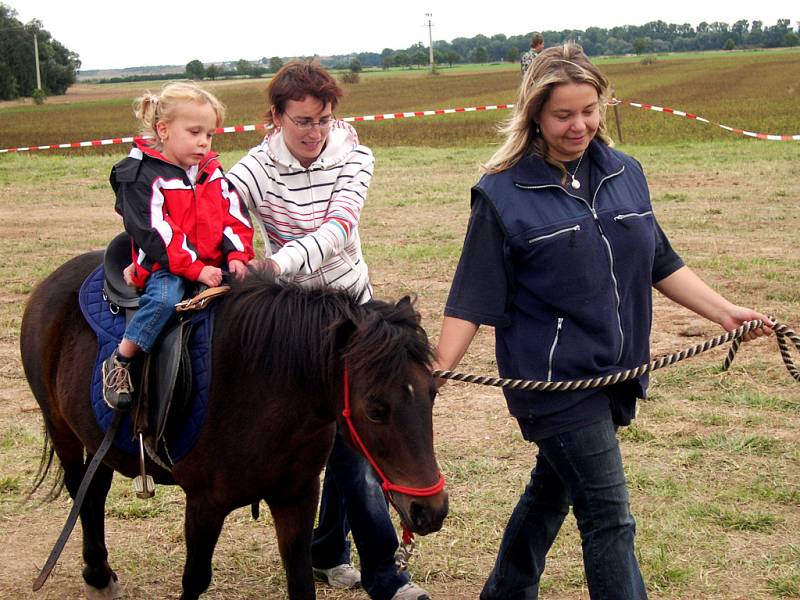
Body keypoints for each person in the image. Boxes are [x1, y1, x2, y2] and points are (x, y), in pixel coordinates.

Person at [435, 43, 773, 600]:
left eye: (589, 109)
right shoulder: (502, 196)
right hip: (555, 383)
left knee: (553, 490)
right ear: (535, 117)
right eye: (563, 115)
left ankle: (506, 592)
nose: (580, 125)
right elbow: (472, 294)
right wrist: (441, 368)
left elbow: (659, 261)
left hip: (618, 371)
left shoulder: (625, 172)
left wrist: (726, 312)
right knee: (609, 518)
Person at [226, 61, 430, 600]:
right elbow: (222, 215)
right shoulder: (251, 170)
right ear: (274, 119)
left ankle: (384, 575)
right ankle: (327, 550)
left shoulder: (356, 157)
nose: (315, 132)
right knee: (327, 438)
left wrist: (273, 267)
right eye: (302, 122)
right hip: (296, 329)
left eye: (323, 119)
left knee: (354, 445)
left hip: (352, 316)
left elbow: (339, 229)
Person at [103, 82, 255, 411]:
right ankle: (122, 359)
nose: (204, 142)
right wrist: (196, 268)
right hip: (166, 266)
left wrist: (238, 255)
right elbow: (158, 232)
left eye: (210, 135)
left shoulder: (212, 173)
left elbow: (234, 217)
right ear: (164, 130)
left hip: (212, 265)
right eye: (195, 132)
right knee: (164, 300)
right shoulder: (145, 176)